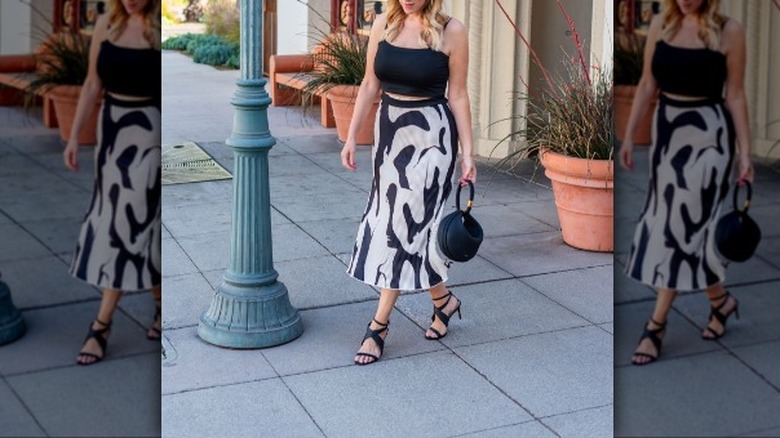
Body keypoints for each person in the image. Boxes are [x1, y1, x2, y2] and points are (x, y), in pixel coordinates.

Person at [340, 0, 475, 365]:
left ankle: (378, 325)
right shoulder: (384, 23)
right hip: (390, 138)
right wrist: (352, 136)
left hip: (431, 140)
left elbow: (458, 95)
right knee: (397, 225)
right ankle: (444, 302)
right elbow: (370, 84)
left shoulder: (452, 31)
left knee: (401, 230)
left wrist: (468, 154)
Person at [619, 0, 753, 365]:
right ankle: (720, 301)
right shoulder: (662, 24)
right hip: (668, 137)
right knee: (681, 228)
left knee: (678, 231)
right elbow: (647, 84)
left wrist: (745, 155)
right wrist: (629, 136)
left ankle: (655, 325)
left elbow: (736, 95)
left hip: (710, 139)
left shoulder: (729, 31)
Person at [63, 0, 161, 366]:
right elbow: (92, 84)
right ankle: (160, 305)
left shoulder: (158, 28)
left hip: (148, 135)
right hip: (111, 134)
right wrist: (74, 137)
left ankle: (101, 325)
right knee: (129, 226)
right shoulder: (106, 23)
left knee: (125, 227)